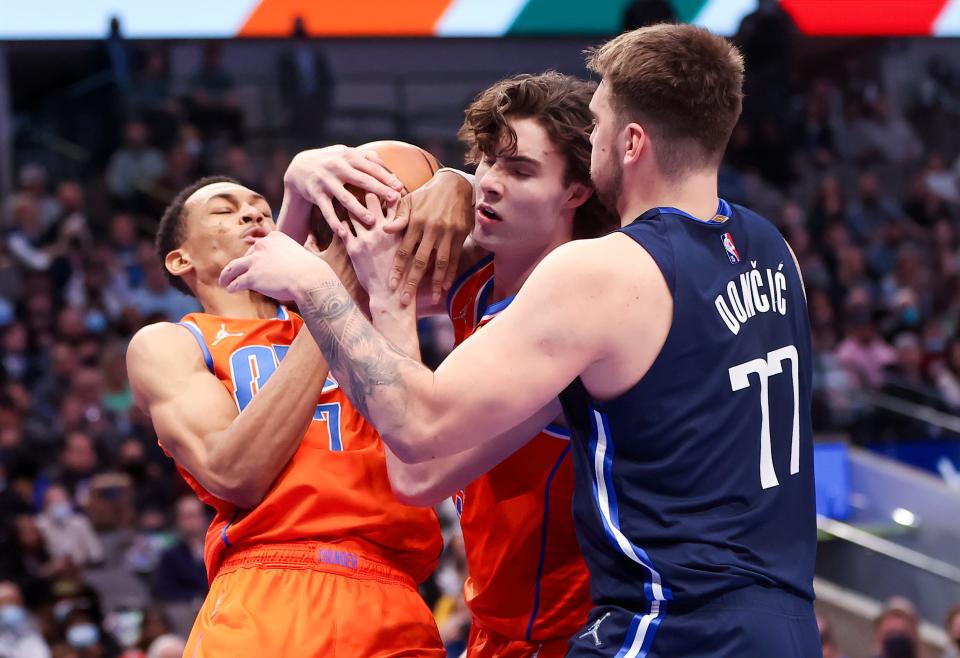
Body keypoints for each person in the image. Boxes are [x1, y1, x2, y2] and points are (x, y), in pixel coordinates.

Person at [221, 23, 819, 656]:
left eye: (600, 122)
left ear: (631, 142)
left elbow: (416, 453)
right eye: (487, 164)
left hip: (660, 622)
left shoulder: (599, 275)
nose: (596, 139)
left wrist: (326, 285)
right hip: (781, 618)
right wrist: (321, 181)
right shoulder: (770, 250)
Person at [314, 72, 618, 658]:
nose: (491, 186)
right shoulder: (474, 280)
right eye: (485, 162)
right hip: (496, 624)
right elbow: (314, 291)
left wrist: (393, 302)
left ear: (577, 192)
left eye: (520, 170)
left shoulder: (579, 314)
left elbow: (420, 468)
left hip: (571, 633)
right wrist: (304, 178)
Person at [125, 167, 468, 655]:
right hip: (269, 586)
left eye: (261, 207)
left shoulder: (355, 313)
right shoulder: (173, 342)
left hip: (396, 594)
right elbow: (232, 470)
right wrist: (333, 295)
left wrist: (456, 180)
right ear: (181, 259)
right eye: (224, 210)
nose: (251, 212)